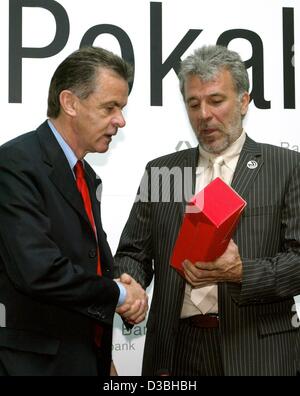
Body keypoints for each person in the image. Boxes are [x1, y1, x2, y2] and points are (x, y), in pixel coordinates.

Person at [114, 44, 300, 376]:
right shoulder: (163, 172)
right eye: (193, 103)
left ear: (244, 102)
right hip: (174, 352)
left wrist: (242, 271)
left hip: (257, 352)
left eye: (216, 101)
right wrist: (130, 283)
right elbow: (134, 252)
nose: (204, 115)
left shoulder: (286, 167)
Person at [0, 46, 148, 376]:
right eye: (110, 107)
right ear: (70, 102)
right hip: (35, 365)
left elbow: (87, 261)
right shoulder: (16, 164)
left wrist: (117, 284)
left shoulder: (86, 175)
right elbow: (39, 271)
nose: (120, 121)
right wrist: (119, 293)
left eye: (121, 108)